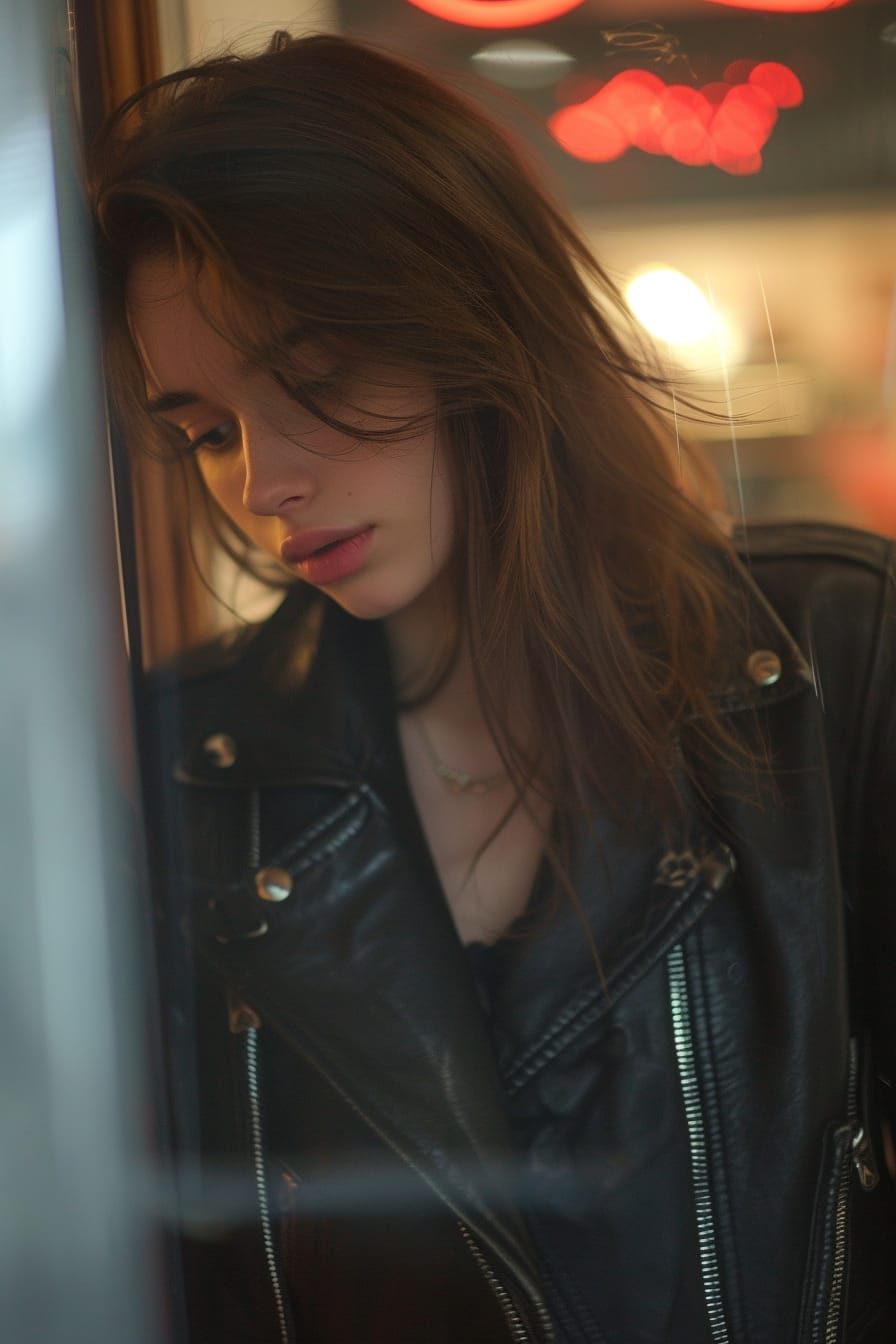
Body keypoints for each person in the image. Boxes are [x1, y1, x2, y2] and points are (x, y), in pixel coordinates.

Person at [90, 30, 896, 1344]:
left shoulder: (829, 661)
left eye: (316, 379)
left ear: (485, 322)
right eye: (206, 432)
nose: (260, 481)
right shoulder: (190, 760)